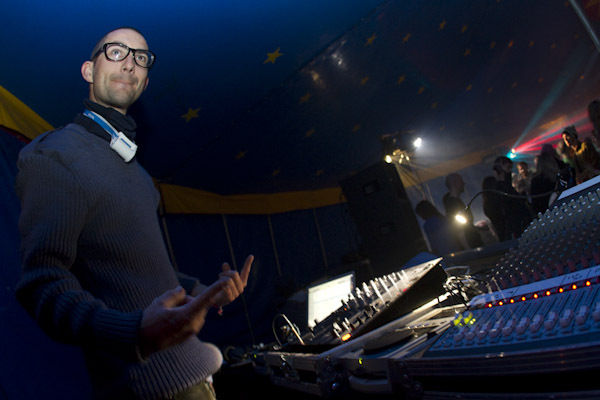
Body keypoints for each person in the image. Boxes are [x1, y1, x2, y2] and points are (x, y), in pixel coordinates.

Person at [15, 27, 253, 400]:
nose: (129, 63)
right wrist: (134, 332)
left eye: (140, 58)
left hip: (198, 374)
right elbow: (41, 284)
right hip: (151, 390)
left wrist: (204, 292)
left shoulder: (138, 173)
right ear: (88, 71)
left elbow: (137, 267)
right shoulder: (56, 154)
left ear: (144, 81)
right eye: (116, 52)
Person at [442, 173, 483, 249]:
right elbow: (459, 230)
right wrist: (468, 249)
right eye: (461, 181)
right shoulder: (453, 204)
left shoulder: (454, 202)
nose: (463, 183)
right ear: (455, 183)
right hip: (471, 245)